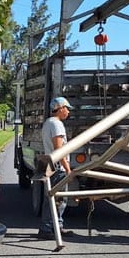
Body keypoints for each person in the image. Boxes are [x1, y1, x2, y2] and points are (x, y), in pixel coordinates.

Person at [37, 96, 74, 239]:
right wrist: (68, 169)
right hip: (57, 166)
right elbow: (59, 149)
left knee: (51, 198)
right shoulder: (57, 124)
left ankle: (56, 227)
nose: (68, 112)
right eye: (67, 109)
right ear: (61, 108)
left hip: (48, 163)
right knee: (58, 199)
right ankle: (48, 229)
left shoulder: (48, 123)